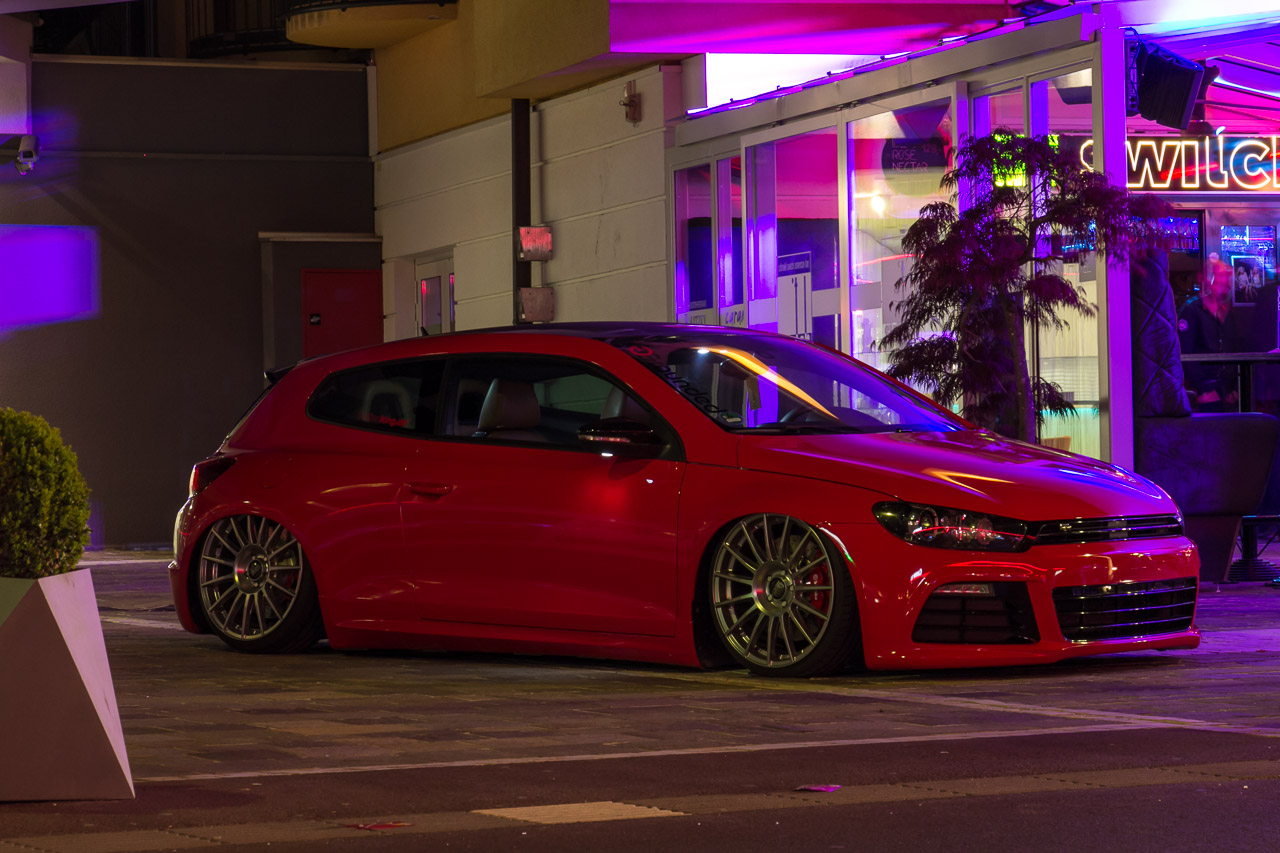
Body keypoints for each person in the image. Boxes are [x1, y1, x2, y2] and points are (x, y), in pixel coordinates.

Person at [1178, 266, 1238, 411]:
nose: (1224, 286)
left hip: (1225, 390)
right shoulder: (1192, 310)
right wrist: (1202, 389)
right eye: (1220, 281)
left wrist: (1232, 388)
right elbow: (1184, 353)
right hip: (1204, 391)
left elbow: (1231, 349)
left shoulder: (1226, 313)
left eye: (1226, 283)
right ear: (1210, 282)